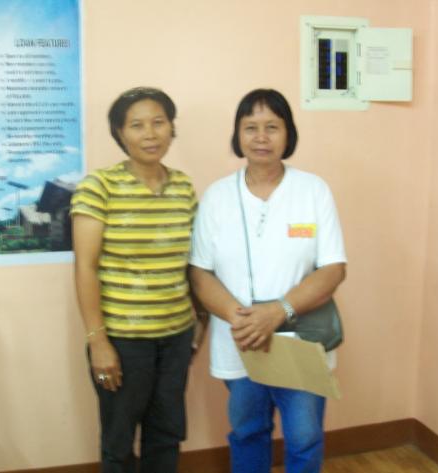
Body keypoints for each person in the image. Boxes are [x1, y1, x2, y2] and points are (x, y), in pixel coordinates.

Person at [189, 89, 347, 473]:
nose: (261, 137)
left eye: (272, 127)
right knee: (248, 432)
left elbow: (333, 269)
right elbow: (200, 272)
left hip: (299, 337)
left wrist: (278, 312)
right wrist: (242, 319)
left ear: (288, 134)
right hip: (241, 339)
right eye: (251, 127)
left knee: (304, 436)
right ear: (238, 134)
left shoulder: (312, 190)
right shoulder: (217, 196)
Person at [70, 87, 206, 473]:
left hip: (176, 336)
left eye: (159, 122)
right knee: (119, 441)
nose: (150, 134)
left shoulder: (183, 187)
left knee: (166, 435)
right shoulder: (99, 186)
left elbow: (193, 263)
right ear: (120, 133)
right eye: (137, 125)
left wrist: (201, 320)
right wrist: (98, 341)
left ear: (171, 128)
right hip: (122, 340)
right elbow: (85, 267)